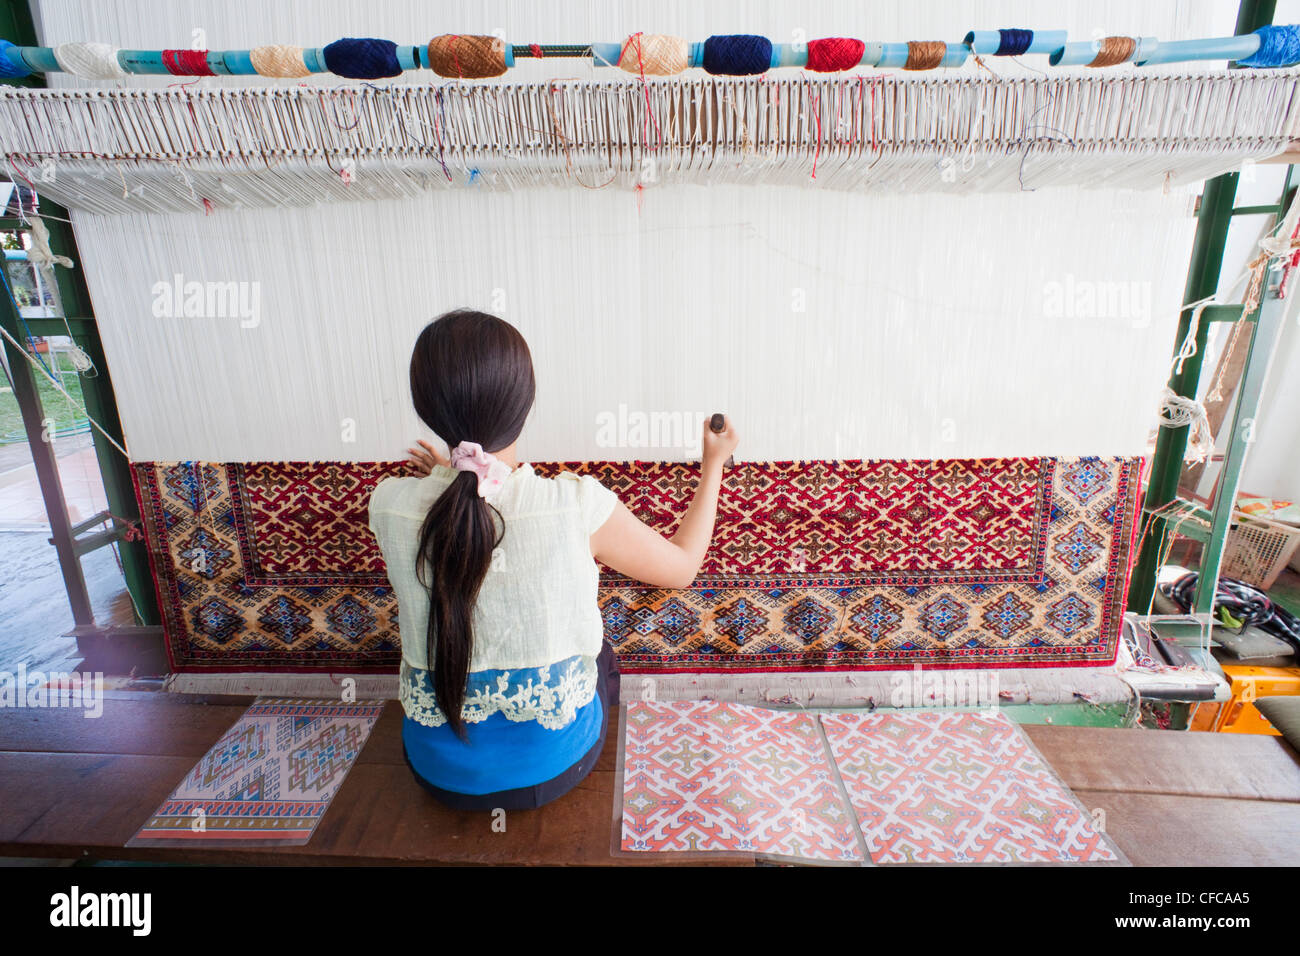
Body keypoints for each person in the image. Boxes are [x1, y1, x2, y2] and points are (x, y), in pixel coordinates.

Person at [368, 309, 739, 811]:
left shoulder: (389, 505)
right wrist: (714, 462)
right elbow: (682, 567)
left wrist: (445, 474)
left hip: (435, 773)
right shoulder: (575, 507)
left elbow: (469, 510)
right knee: (603, 656)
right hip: (552, 772)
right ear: (526, 402)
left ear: (424, 406)